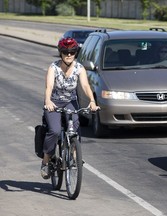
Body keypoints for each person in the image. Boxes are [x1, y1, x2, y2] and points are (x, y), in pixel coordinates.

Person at [41, 37, 100, 179]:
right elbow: (49, 87)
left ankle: (75, 157)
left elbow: (85, 86)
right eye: (66, 52)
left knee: (74, 128)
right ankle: (46, 160)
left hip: (70, 102)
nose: (69, 55)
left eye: (72, 52)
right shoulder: (53, 67)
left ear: (75, 53)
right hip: (54, 102)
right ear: (60, 53)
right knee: (54, 131)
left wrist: (92, 101)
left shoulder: (79, 68)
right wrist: (48, 101)